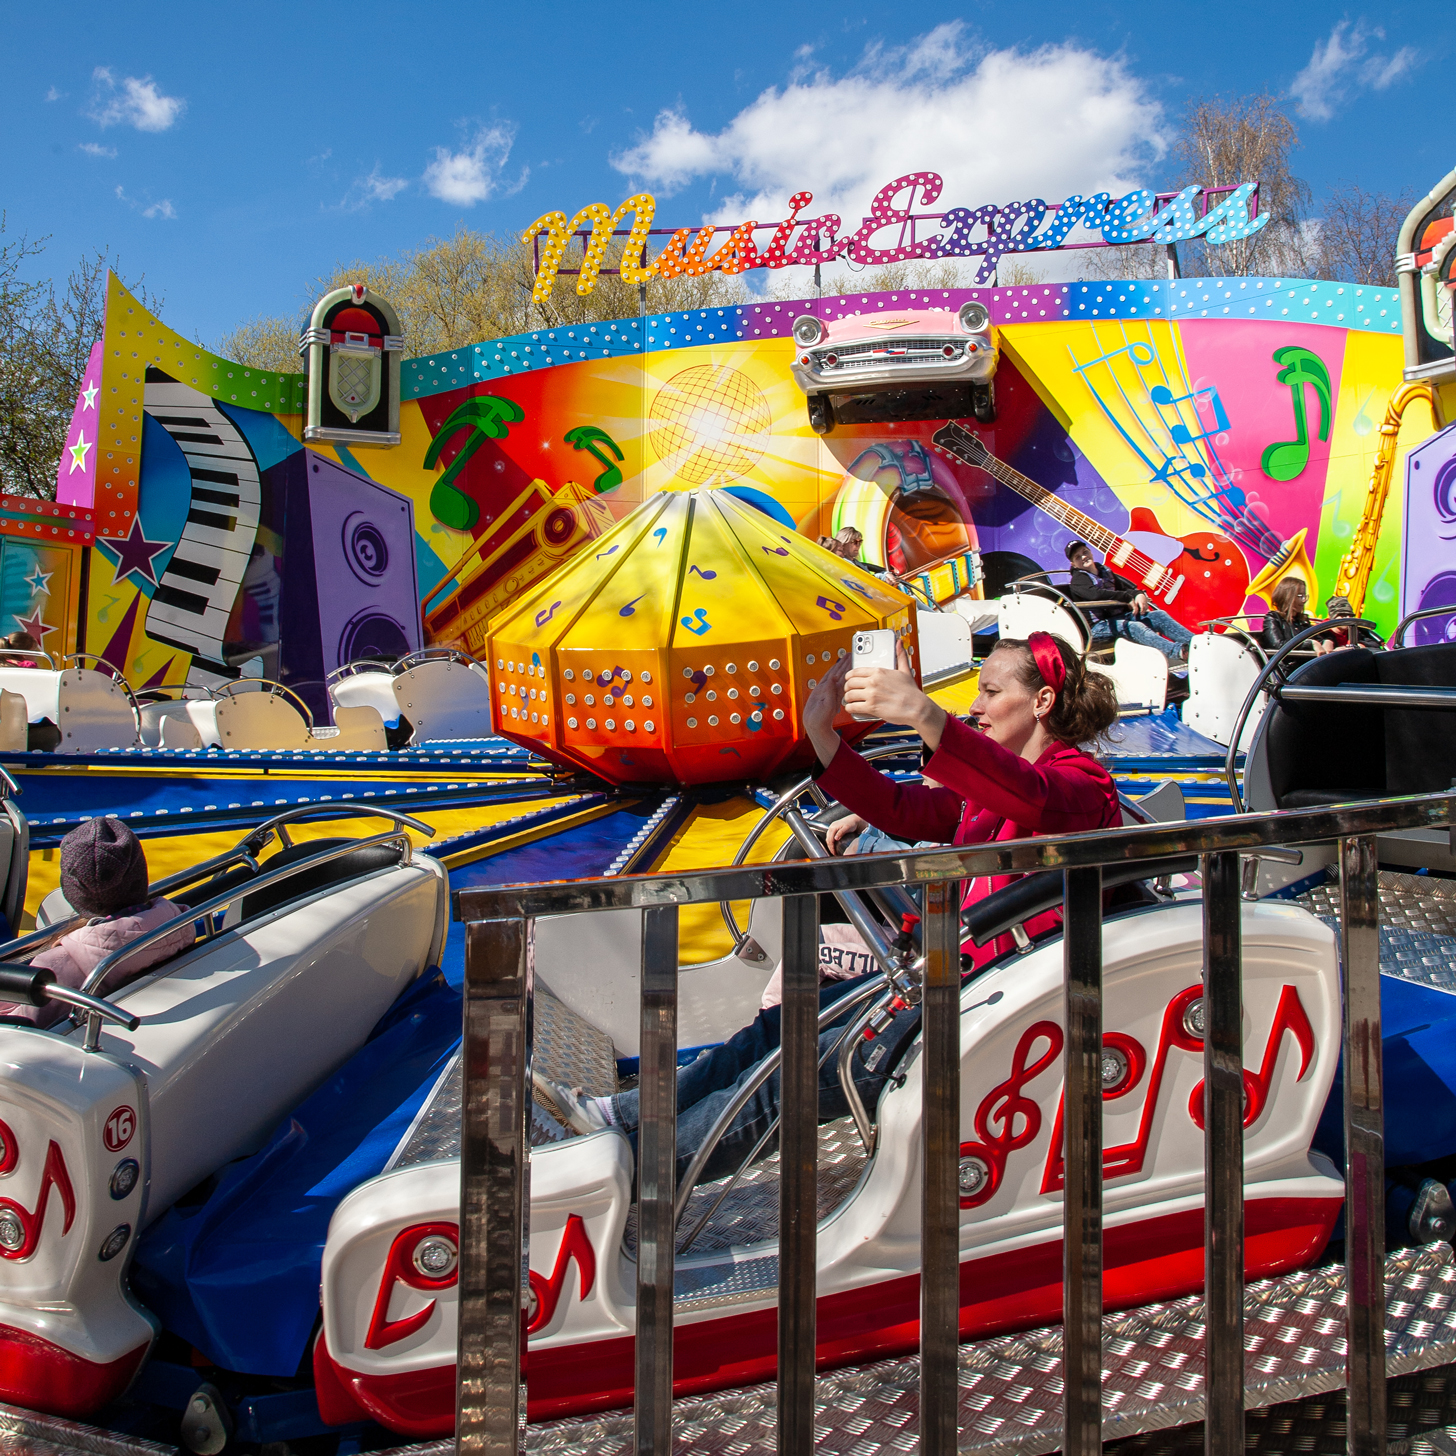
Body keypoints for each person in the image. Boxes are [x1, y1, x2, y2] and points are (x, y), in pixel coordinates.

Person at [545, 632, 1121, 1187]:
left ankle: (628, 1169)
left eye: (991, 692)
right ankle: (621, 1115)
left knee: (794, 1074)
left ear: (1041, 701)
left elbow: (1034, 798)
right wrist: (823, 734)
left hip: (998, 1004)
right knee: (778, 1027)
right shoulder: (990, 788)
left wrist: (926, 716)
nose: (975, 706)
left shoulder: (1082, 787)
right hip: (945, 983)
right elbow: (901, 808)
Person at [0, 818, 195, 1028]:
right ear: (141, 875)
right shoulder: (180, 924)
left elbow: (25, 1026)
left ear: (73, 891)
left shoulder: (54, 966)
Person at [1063, 540, 1192, 662]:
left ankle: (1195, 643)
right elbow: (1096, 595)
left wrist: (1137, 594)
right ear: (1073, 564)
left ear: (1091, 552)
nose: (1083, 557)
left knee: (1158, 616)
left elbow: (1127, 589)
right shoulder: (1078, 580)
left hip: (1117, 618)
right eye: (1078, 557)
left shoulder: (1104, 571)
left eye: (1085, 552)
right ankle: (1180, 652)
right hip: (1098, 628)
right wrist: (1126, 597)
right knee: (1134, 627)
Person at [1258, 579, 1335, 655]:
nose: (1304, 600)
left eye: (1304, 596)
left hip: (1305, 664)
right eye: (1300, 596)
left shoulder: (1302, 620)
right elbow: (1278, 645)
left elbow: (1317, 639)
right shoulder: (1273, 618)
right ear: (1288, 597)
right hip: (1287, 666)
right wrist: (1310, 644)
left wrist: (1327, 641)